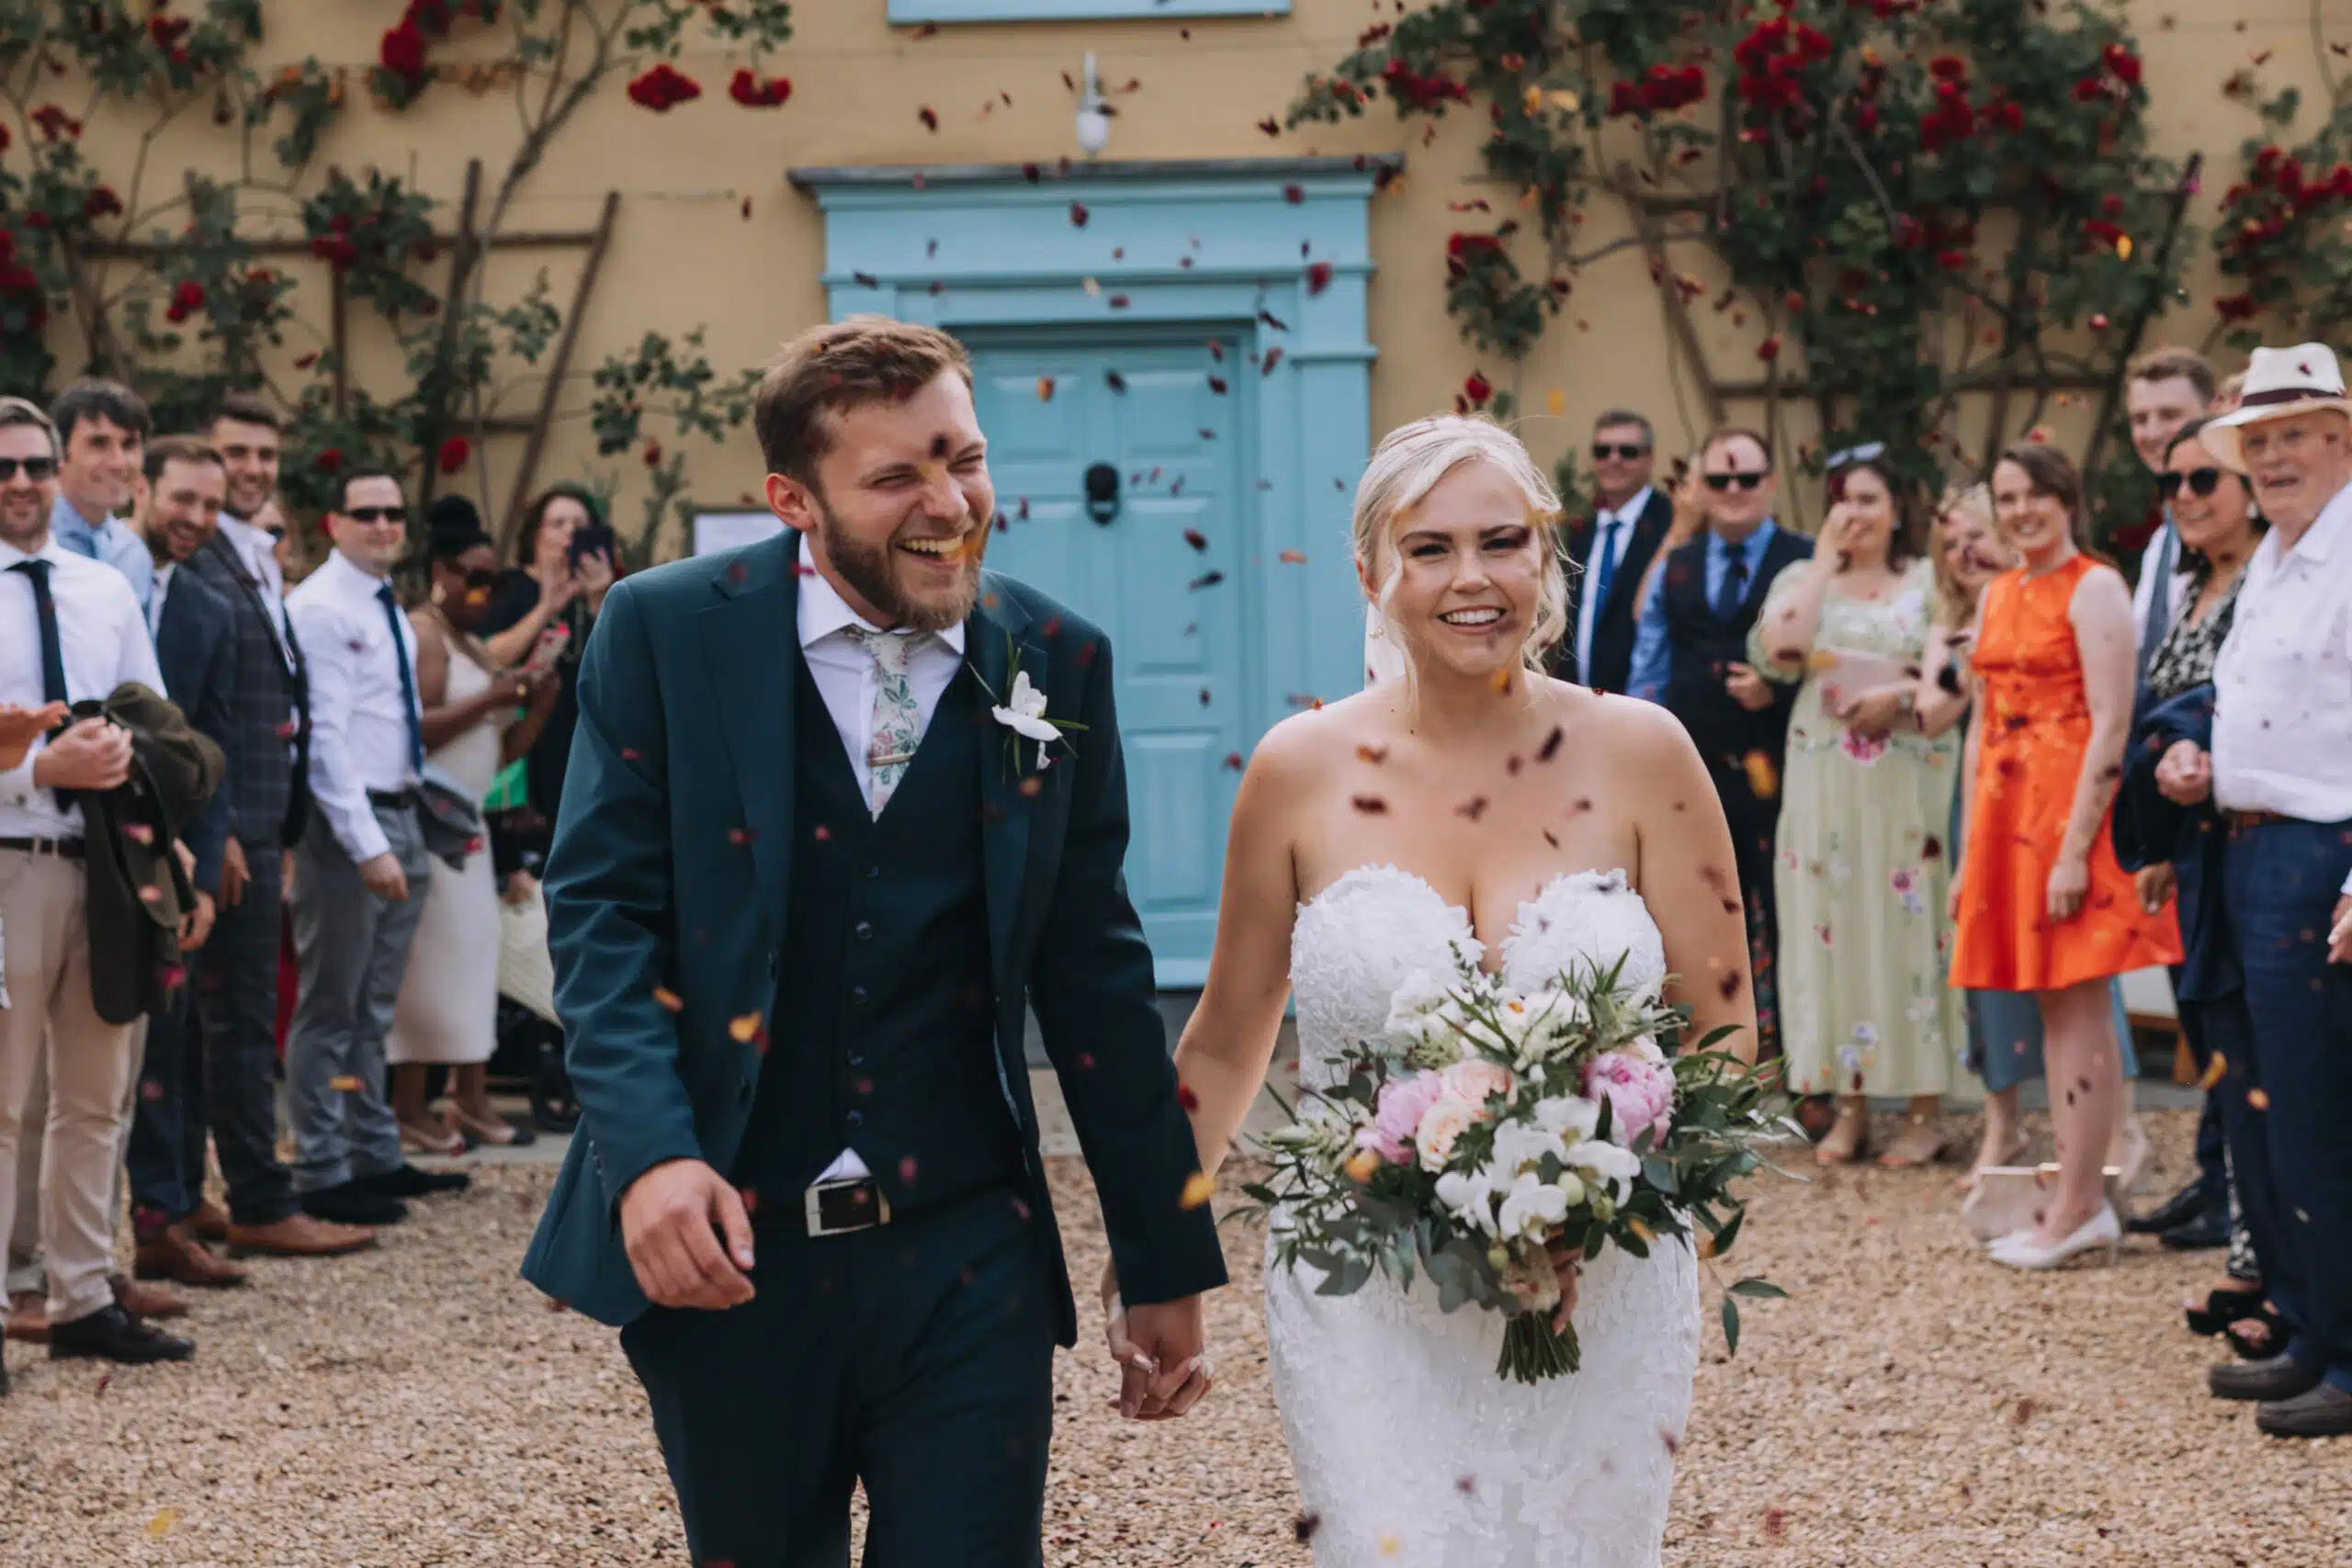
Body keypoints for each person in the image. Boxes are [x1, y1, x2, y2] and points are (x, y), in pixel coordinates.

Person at [519, 316, 1226, 1566]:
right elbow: (604, 914)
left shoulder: (1056, 660)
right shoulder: (664, 631)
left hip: (967, 1246)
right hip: (734, 1246)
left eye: (965, 456)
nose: (950, 502)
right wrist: (650, 1158)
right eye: (897, 475)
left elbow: (1096, 971)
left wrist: (1161, 1247)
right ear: (794, 498)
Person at [1161, 412, 1751, 1565]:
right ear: (1371, 571)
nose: (1470, 578)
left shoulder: (1646, 752)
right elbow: (1227, 1043)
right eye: (1428, 548)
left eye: (1502, 541)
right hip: (1366, 1286)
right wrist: (1158, 1259)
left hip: (1606, 1281)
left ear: (1546, 555)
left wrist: (1605, 1199)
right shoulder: (1297, 769)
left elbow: (1724, 1031)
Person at [1948, 444, 2181, 1270]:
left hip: (2069, 820)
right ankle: (2077, 1197)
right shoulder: (1999, 590)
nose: (2021, 512)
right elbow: (1981, 721)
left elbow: (2113, 723)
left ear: (2065, 498)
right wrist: (1972, 854)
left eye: (2035, 495)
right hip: (2007, 818)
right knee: (2054, 1011)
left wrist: (2077, 848)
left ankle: (2082, 1203)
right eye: (2007, 498)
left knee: (2080, 1008)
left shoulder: (2096, 587)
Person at [0, 396, 193, 1370]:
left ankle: (80, 1300)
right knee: (0, 1106)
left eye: (35, 464)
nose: (24, 483)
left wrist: (132, 774)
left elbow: (156, 725)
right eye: (7, 468)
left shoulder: (100, 591)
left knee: (95, 1097)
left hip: (108, 872)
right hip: (6, 869)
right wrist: (38, 769)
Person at [2182, 343, 2352, 1438]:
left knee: (2325, 1115)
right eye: (2260, 441)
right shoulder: (2279, 558)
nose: (2275, 456)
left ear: (2342, 439)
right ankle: (2308, 1323)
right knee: (2268, 1113)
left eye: (2295, 434)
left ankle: (2348, 1355)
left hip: (2319, 860)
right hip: (2242, 850)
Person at [171, 410, 363, 1265]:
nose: (250, 469)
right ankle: (254, 1198)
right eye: (233, 453)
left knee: (223, 1022)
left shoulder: (249, 559)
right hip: (227, 831)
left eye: (263, 455)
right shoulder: (199, 562)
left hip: (254, 826)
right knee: (235, 1022)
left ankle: (196, 1195)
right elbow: (190, 714)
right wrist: (220, 833)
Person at [1749, 450, 1962, 1165]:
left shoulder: (1928, 582)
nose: (1857, 513)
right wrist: (1819, 562)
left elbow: (1953, 671)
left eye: (1870, 499)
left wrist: (1898, 696)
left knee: (1911, 925)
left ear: (1897, 509)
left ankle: (1926, 1109)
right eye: (1844, 500)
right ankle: (1849, 1106)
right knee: (1831, 927)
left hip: (1906, 777)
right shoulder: (1800, 579)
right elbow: (1782, 648)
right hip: (1824, 781)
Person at [1917, 486, 2134, 1186]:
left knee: (2082, 966)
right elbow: (1934, 712)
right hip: (1986, 796)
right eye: (1951, 545)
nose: (1965, 552)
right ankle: (2003, 1125)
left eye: (1975, 534)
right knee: (1993, 964)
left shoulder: (2068, 594)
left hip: (2058, 794)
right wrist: (1969, 660)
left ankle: (2120, 1127)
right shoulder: (1956, 619)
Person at [2112, 419, 2271, 1348]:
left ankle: (2273, 1269)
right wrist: (2161, 842)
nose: (2182, 498)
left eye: (2203, 479)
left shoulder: (2270, 581)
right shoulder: (2189, 587)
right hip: (2200, 853)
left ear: (2246, 486)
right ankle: (2255, 1261)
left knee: (2267, 1062)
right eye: (2171, 484)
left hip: (2262, 845)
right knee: (2227, 1052)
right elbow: (2157, 716)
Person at [283, 471, 469, 1227]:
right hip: (348, 826)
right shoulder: (322, 608)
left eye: (395, 513)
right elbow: (323, 739)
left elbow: (384, 722)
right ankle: (322, 1168)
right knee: (332, 1004)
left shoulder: (380, 599)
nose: (384, 524)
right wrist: (366, 844)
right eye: (368, 513)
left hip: (399, 815)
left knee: (372, 1005)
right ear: (335, 522)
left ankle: (372, 1153)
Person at [1628, 427, 1814, 1061]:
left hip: (1782, 770)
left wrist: (1779, 687)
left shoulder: (1805, 560)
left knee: (1787, 911)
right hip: (1694, 773)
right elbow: (1649, 664)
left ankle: (1796, 1056)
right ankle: (1712, 1052)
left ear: (1769, 483)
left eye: (1746, 478)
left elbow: (1834, 660)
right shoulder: (1676, 566)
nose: (1733, 491)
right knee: (1697, 909)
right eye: (1719, 480)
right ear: (1701, 489)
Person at [385, 500, 559, 1150]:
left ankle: (468, 1096)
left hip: (469, 818)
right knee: (430, 967)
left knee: (474, 961)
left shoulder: (465, 641)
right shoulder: (426, 634)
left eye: (497, 584)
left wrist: (535, 710)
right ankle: (411, 1104)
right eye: (475, 580)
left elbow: (499, 751)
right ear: (441, 571)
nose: (487, 595)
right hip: (431, 819)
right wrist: (492, 697)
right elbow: (414, 732)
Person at [117, 438, 243, 1291]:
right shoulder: (97, 581)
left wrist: (207, 853)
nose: (196, 519)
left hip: (177, 854)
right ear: (143, 489)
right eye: (182, 499)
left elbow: (218, 744)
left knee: (172, 1040)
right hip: (86, 833)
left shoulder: (209, 608)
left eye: (211, 505)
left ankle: (163, 1218)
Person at [2116, 346, 2231, 1249]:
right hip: (2178, 819)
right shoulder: (2170, 545)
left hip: (2235, 814)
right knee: (2201, 1004)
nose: (2155, 436)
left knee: (2229, 1009)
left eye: (2170, 417)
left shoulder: (2239, 545)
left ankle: (2234, 1197)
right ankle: (2214, 1179)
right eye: (2143, 420)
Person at [476, 483, 614, 859]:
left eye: (579, 524)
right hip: (522, 741)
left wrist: (599, 599)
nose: (569, 532)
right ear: (536, 534)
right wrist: (545, 608)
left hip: (581, 738)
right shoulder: (509, 587)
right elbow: (489, 657)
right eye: (558, 523)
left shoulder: (609, 595)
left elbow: (621, 665)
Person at [1556, 410, 1674, 694]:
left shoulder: (1672, 526)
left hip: (1646, 706)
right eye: (1603, 451)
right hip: (1580, 702)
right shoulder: (1583, 531)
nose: (1614, 459)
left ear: (1650, 458)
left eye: (1628, 451)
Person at [47, 378, 153, 618]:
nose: (118, 463)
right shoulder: (29, 542)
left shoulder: (132, 553)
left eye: (129, 444)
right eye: (98, 444)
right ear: (59, 453)